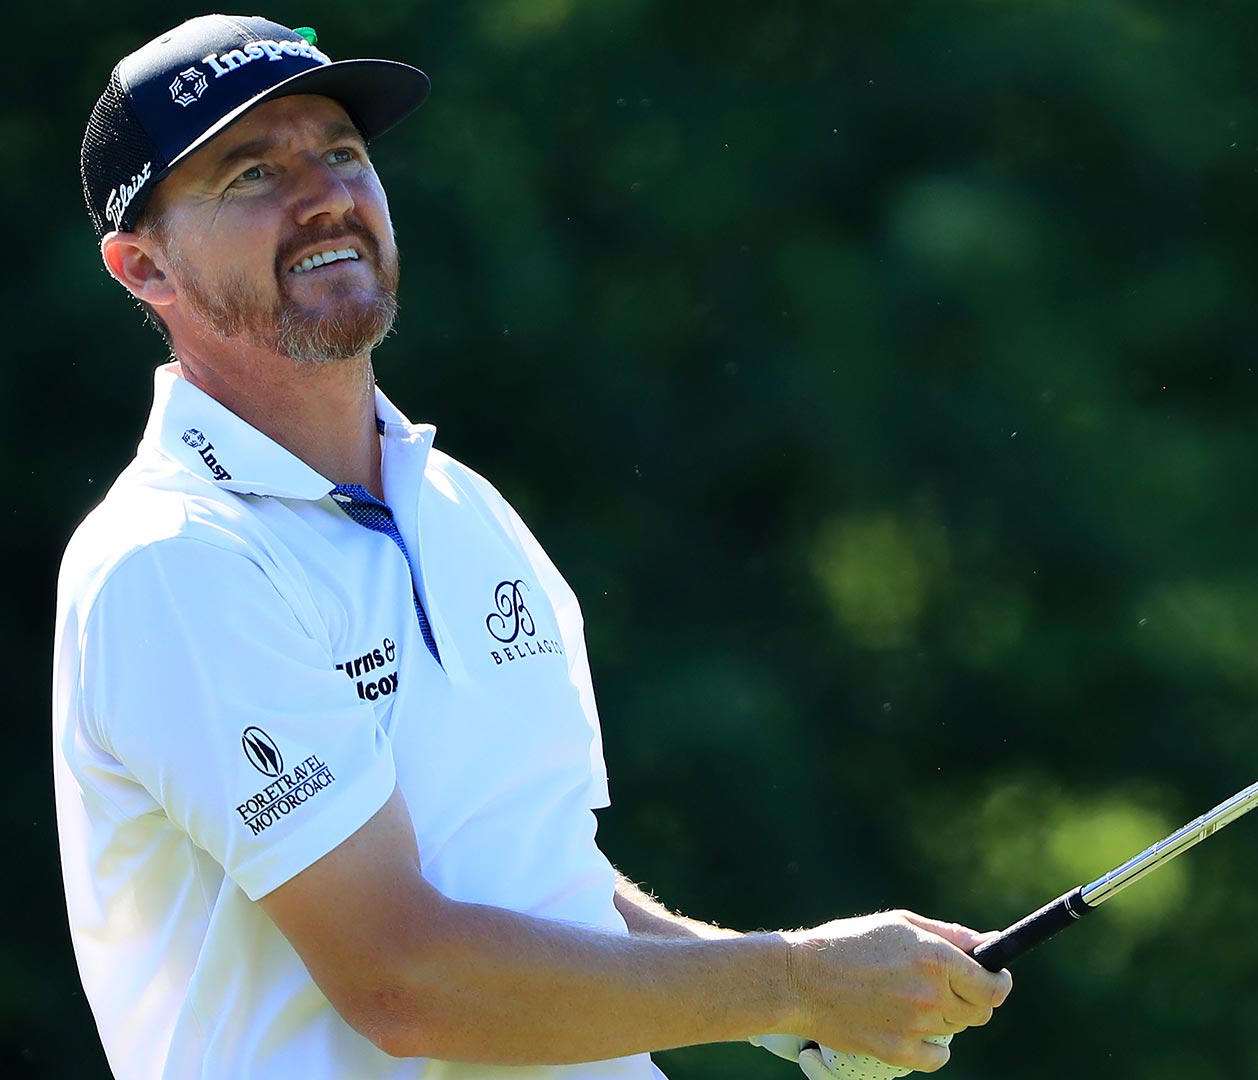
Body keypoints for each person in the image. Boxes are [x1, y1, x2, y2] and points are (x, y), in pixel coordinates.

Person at [55, 15, 1011, 1080]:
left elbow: (541, 882)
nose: (324, 194)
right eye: (252, 173)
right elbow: (407, 982)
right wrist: (793, 978)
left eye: (343, 153)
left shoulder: (458, 504)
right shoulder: (172, 560)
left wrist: (801, 1008)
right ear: (145, 268)